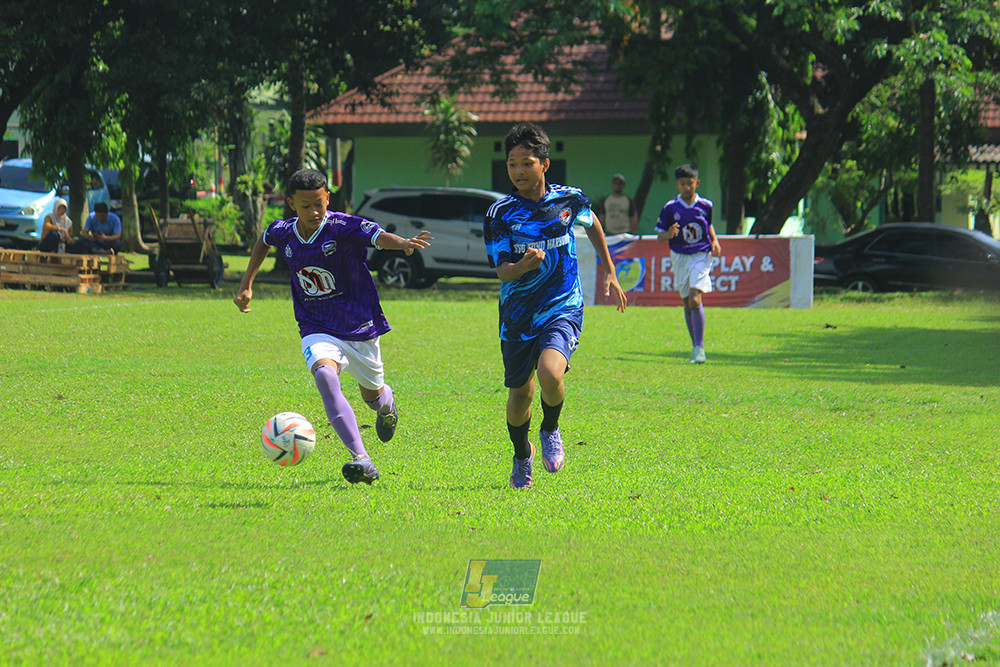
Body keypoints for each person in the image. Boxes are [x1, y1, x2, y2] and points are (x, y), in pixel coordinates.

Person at [234, 169, 432, 485]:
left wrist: (403, 244)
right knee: (325, 375)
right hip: (315, 324)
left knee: (373, 396)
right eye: (304, 205)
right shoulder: (284, 231)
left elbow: (378, 236)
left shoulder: (343, 226)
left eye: (319, 203)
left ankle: (387, 404)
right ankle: (361, 458)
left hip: (358, 325)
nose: (313, 212)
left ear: (328, 197)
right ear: (291, 204)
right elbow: (263, 240)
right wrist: (247, 283)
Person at [484, 122, 628, 490]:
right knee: (521, 394)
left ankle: (550, 429)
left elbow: (592, 221)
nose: (518, 171)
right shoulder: (499, 213)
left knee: (550, 373)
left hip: (562, 305)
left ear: (544, 164)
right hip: (517, 315)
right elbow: (502, 271)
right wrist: (522, 267)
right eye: (512, 163)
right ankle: (521, 456)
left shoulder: (569, 199)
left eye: (526, 162)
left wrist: (609, 269)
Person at [655, 164, 721, 364]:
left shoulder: (706, 205)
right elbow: (659, 235)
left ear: (697, 183)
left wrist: (715, 240)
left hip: (701, 254)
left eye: (690, 183)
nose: (686, 188)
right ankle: (695, 347)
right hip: (679, 255)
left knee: (694, 298)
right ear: (677, 184)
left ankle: (699, 347)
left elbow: (708, 225)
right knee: (686, 302)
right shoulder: (670, 208)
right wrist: (669, 234)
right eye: (682, 184)